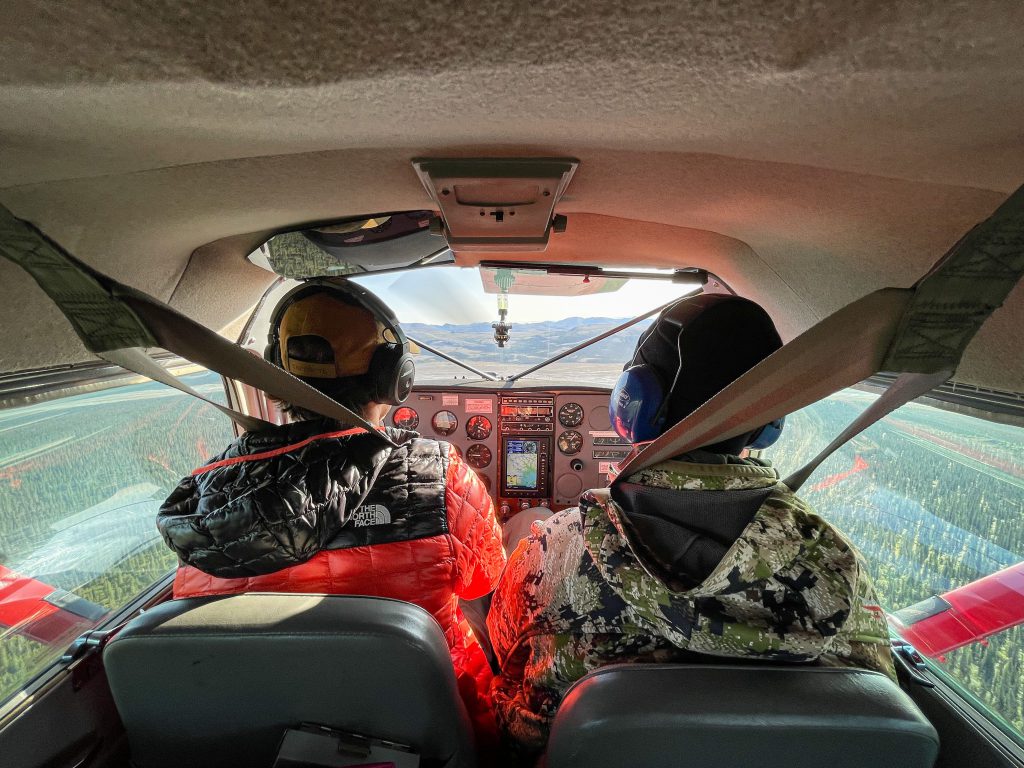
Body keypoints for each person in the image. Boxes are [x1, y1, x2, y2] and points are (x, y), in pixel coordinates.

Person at [486, 294, 895, 755]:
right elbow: (874, 693)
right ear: (767, 422)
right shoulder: (838, 564)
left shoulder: (554, 546)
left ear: (633, 403)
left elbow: (505, 655)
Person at [157, 279, 506, 740]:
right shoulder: (439, 474)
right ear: (393, 377)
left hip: (258, 731)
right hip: (427, 723)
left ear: (274, 372)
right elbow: (484, 580)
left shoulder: (206, 491)